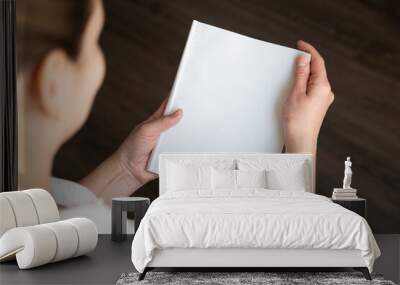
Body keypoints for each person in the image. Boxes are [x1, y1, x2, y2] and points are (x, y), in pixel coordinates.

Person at [17, 0, 333, 232]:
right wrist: (302, 141)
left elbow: (55, 228)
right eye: (94, 43)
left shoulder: (19, 207)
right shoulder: (132, 245)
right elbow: (283, 267)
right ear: (53, 83)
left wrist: (128, 168)